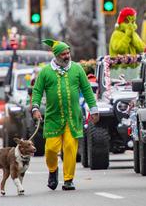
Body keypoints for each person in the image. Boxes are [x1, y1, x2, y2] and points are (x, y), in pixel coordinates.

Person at [32, 39, 99, 191]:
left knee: (70, 148)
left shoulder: (77, 69)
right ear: (56, 55)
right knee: (50, 150)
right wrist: (35, 108)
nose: (67, 56)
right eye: (63, 54)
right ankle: (53, 171)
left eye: (68, 53)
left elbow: (87, 90)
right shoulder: (45, 72)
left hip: (72, 118)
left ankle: (68, 180)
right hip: (53, 118)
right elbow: (37, 91)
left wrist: (93, 109)